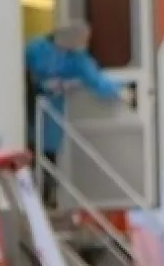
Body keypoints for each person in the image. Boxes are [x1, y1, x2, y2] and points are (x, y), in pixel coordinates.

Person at [24, 21, 124, 208]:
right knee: (31, 151)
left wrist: (121, 90)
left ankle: (45, 196)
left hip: (50, 114)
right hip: (29, 105)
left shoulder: (77, 58)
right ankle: (34, 195)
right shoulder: (36, 48)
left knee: (48, 154)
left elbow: (96, 80)